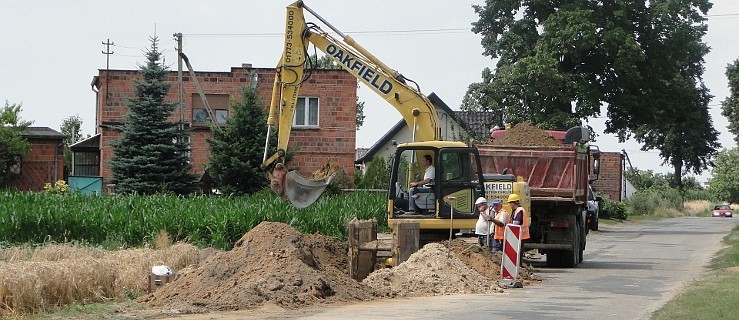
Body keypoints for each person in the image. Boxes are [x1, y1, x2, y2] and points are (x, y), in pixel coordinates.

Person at [507, 193, 530, 262]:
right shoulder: (516, 210)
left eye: (510, 203)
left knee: (518, 254)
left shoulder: (520, 210)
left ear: (513, 203)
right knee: (517, 253)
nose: (509, 205)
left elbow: (516, 223)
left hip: (520, 235)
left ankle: (519, 267)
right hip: (517, 235)